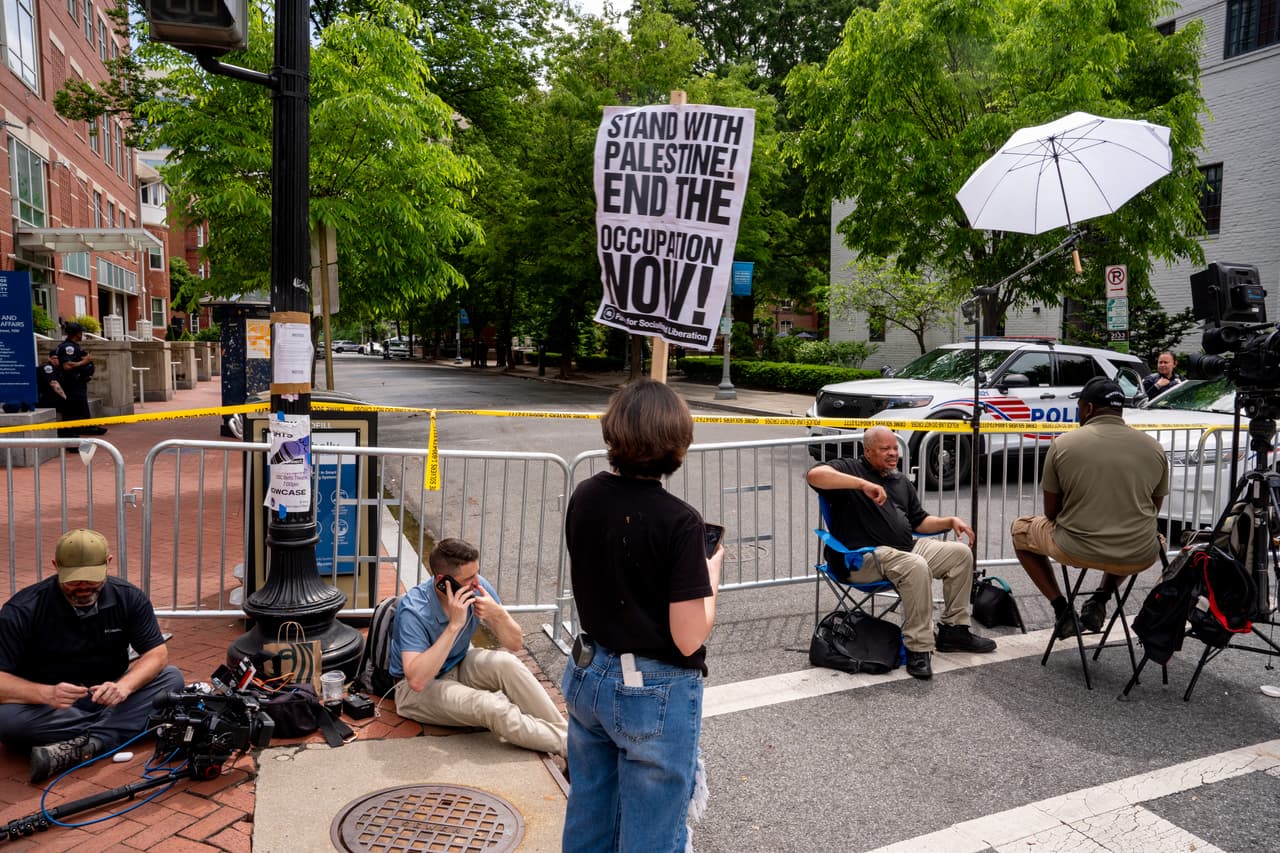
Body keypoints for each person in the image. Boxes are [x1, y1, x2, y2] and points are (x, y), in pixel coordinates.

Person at [561, 379, 723, 852]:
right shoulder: (680, 522)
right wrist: (710, 577)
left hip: (589, 670)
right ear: (678, 442)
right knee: (652, 837)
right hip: (652, 689)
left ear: (614, 432)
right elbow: (688, 636)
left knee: (590, 818)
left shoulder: (586, 494)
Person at [807, 425, 996, 680]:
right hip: (862, 558)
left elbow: (919, 522)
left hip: (905, 549)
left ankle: (954, 631)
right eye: (885, 449)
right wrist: (862, 485)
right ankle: (918, 647)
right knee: (915, 565)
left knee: (959, 554)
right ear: (868, 451)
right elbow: (815, 475)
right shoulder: (850, 469)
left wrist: (949, 521)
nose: (893, 453)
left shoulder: (899, 481)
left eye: (895, 448)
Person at [0, 529, 185, 783]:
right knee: (7, 721)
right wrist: (46, 694)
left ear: (108, 563)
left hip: (110, 698)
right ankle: (117, 731)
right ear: (56, 566)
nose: (83, 587)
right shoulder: (23, 609)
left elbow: (157, 654)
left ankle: (88, 744)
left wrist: (124, 687)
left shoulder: (128, 597)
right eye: (73, 581)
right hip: (52, 708)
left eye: (91, 579)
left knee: (172, 677)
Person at [1012, 376, 1168, 637]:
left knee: (1020, 530)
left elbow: (1051, 513)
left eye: (1079, 407)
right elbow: (1154, 508)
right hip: (1139, 553)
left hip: (1076, 548)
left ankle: (1062, 610)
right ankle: (1100, 600)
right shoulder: (1154, 447)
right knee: (1141, 537)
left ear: (1088, 408)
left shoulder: (1064, 444)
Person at [390, 538, 567, 757]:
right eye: (468, 578)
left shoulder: (476, 586)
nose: (476, 582)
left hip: (457, 665)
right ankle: (572, 748)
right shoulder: (414, 610)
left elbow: (514, 644)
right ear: (442, 581)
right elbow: (416, 681)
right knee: (491, 706)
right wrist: (454, 625)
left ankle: (570, 739)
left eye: (477, 573)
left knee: (507, 663)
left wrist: (498, 614)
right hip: (414, 691)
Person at [53, 321, 105, 437]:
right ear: (77, 333)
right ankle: (71, 432)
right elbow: (67, 366)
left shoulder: (73, 345)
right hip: (71, 382)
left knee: (81, 405)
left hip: (77, 381)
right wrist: (84, 362)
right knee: (73, 407)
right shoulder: (69, 347)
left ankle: (86, 426)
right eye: (81, 332)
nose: (82, 334)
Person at [36, 347, 66, 412]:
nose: (56, 360)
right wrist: (66, 398)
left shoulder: (59, 369)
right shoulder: (48, 367)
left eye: (58, 358)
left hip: (53, 400)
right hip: (47, 400)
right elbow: (54, 384)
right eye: (54, 358)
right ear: (49, 358)